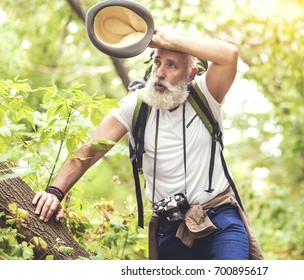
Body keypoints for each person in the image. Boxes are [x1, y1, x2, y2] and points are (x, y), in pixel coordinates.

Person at [32, 29, 263, 260]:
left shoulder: (206, 95)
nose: (160, 73)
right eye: (157, 62)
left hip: (219, 218)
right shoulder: (136, 105)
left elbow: (229, 54)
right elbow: (90, 150)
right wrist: (55, 192)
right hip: (170, 227)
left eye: (172, 65)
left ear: (190, 75)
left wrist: (162, 39)